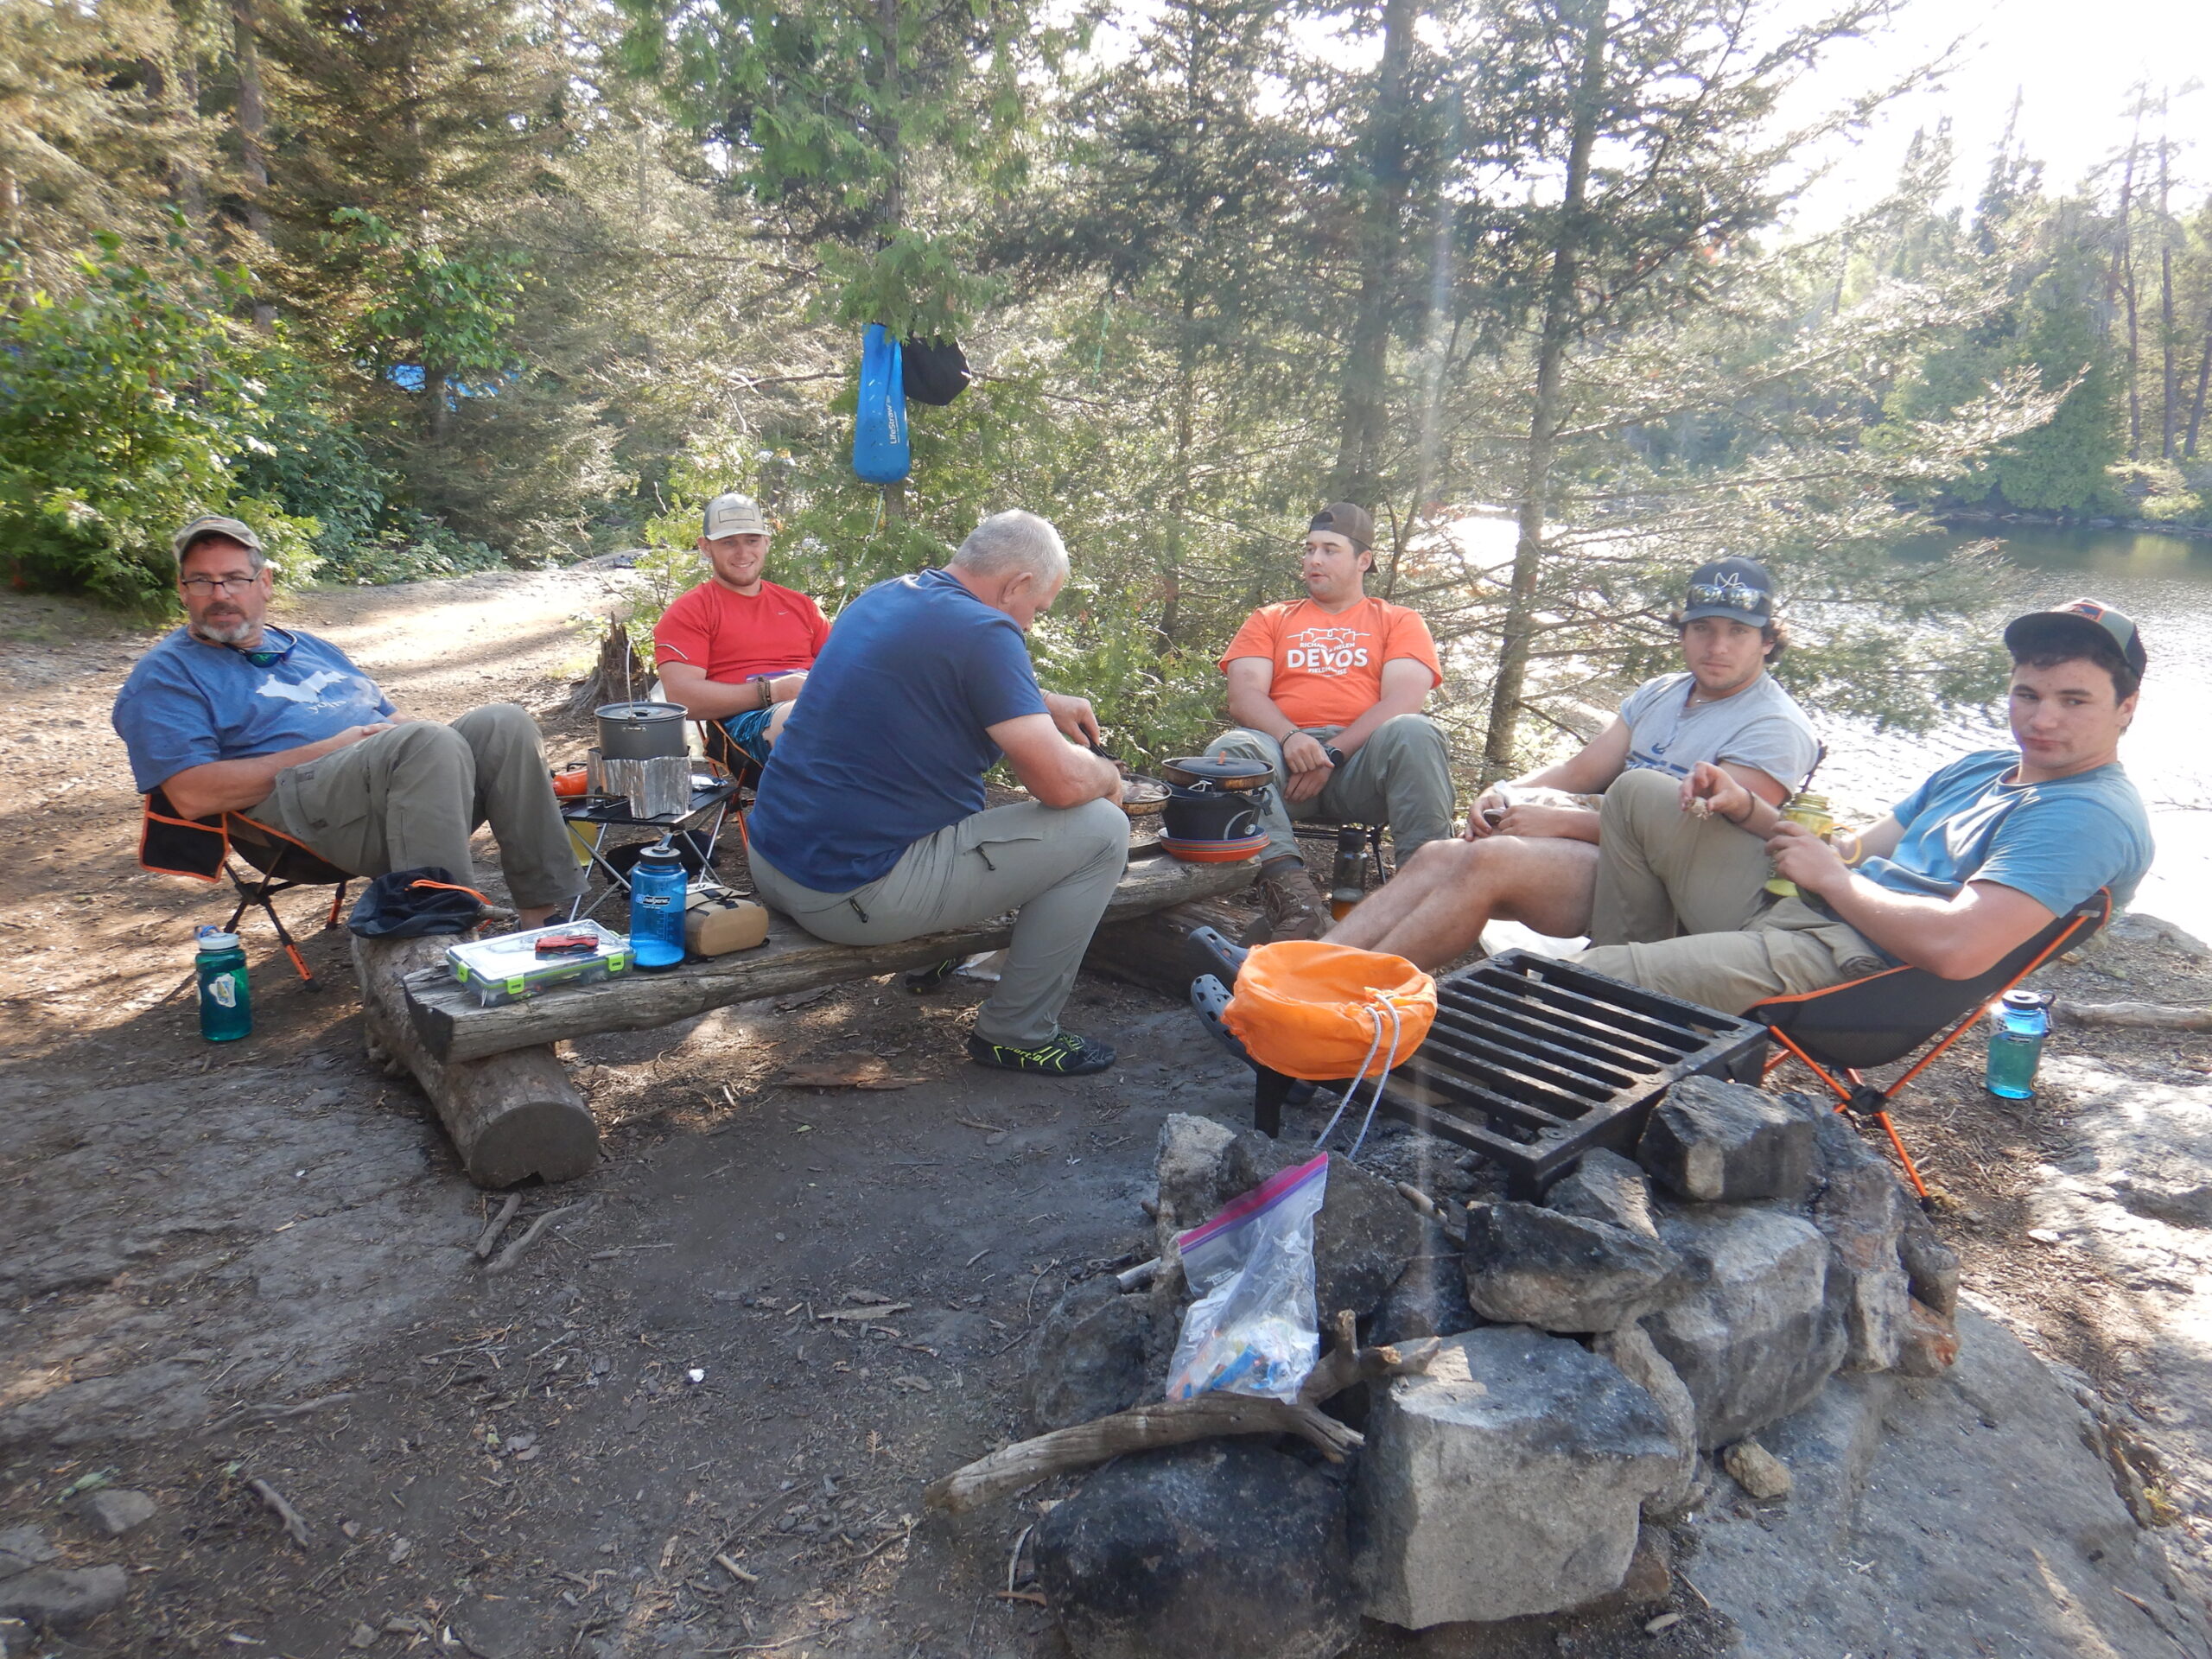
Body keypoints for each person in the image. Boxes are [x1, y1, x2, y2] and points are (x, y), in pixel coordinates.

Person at [1568, 598, 2154, 1014]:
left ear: (2126, 707)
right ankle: (1639, 1013)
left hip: (1854, 970)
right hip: (1812, 911)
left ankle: (1619, 997)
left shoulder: (2087, 814)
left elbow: (1957, 948)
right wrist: (1747, 807)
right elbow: (1849, 853)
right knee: (1639, 792)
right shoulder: (1980, 768)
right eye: (2028, 694)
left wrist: (1838, 885)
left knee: (1580, 979)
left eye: (2074, 701)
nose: (2042, 718)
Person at [744, 511, 1128, 1076]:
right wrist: (1110, 777)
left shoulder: (889, 597)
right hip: (849, 895)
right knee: (1103, 830)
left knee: (968, 810)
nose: (1030, 625)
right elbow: (1062, 783)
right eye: (1037, 610)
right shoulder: (987, 632)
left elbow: (934, 667)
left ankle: (946, 955)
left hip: (775, 861)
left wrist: (1039, 698)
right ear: (1017, 584)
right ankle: (1018, 1033)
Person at [1325, 556, 1820, 969]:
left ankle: (1349, 990)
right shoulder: (1661, 693)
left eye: (1738, 631)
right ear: (1683, 631)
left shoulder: (1774, 726)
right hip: (1608, 856)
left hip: (1668, 895)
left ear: (1768, 641)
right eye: (1703, 628)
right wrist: (1505, 792)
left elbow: (1697, 845)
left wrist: (1560, 822)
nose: (1718, 646)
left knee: (1490, 861)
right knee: (1438, 854)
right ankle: (1313, 965)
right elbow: (1581, 771)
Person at [113, 516, 582, 925]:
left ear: (265, 582)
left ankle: (544, 917)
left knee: (503, 723)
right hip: (300, 825)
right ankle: (439, 931)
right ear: (181, 589)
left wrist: (420, 742)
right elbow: (193, 795)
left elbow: (390, 718)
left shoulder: (307, 645)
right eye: (202, 581)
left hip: (392, 790)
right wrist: (337, 747)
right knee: (424, 741)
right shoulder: (166, 675)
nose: (220, 595)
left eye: (235, 578)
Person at [1205, 501, 1451, 941]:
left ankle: (1422, 906)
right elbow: (1243, 695)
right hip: (1283, 765)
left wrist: (1333, 754)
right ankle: (1297, 910)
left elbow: (1405, 698)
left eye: (1330, 550)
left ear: (1364, 560)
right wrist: (1293, 737)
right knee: (1233, 750)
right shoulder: (1272, 618)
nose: (1314, 559)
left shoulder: (1398, 621)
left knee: (1416, 731)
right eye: (1309, 548)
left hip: (1363, 769)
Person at [652, 493, 830, 768]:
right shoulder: (690, 611)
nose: (743, 553)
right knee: (810, 718)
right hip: (742, 729)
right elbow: (681, 698)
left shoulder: (800, 606)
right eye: (728, 542)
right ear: (705, 547)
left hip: (819, 710)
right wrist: (771, 692)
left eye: (752, 540)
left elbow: (840, 668)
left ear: (767, 542)